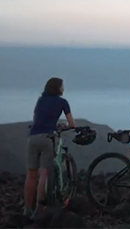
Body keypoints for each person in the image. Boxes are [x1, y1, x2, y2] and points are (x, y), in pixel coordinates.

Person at [24, 77, 75, 219]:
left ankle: (27, 208)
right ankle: (39, 209)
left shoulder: (41, 100)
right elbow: (71, 124)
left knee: (31, 174)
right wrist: (63, 126)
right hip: (48, 138)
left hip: (33, 137)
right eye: (62, 86)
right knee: (44, 174)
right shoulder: (62, 102)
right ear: (57, 88)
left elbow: (37, 119)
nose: (63, 89)